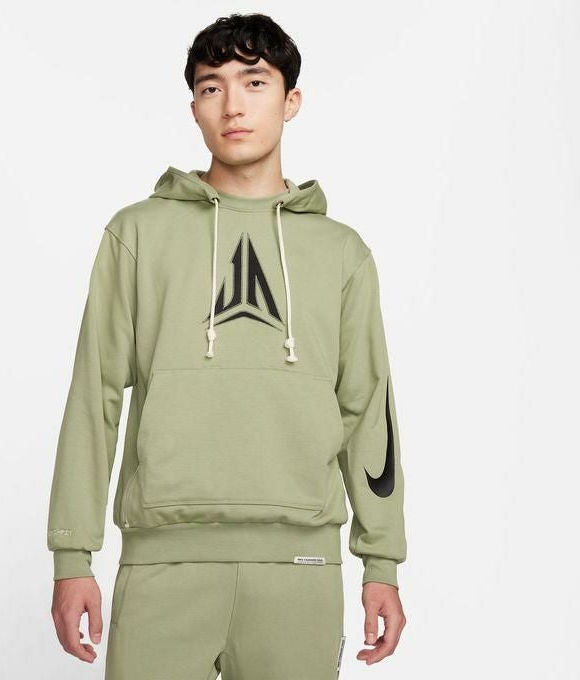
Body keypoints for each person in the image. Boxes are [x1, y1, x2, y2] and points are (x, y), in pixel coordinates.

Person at [47, 12, 407, 679]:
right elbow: (93, 397)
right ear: (194, 108)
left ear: (291, 100)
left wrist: (380, 562)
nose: (233, 105)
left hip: (300, 566)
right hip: (162, 563)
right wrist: (73, 555)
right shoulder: (138, 235)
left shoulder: (342, 253)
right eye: (211, 87)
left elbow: (368, 410)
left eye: (255, 82)